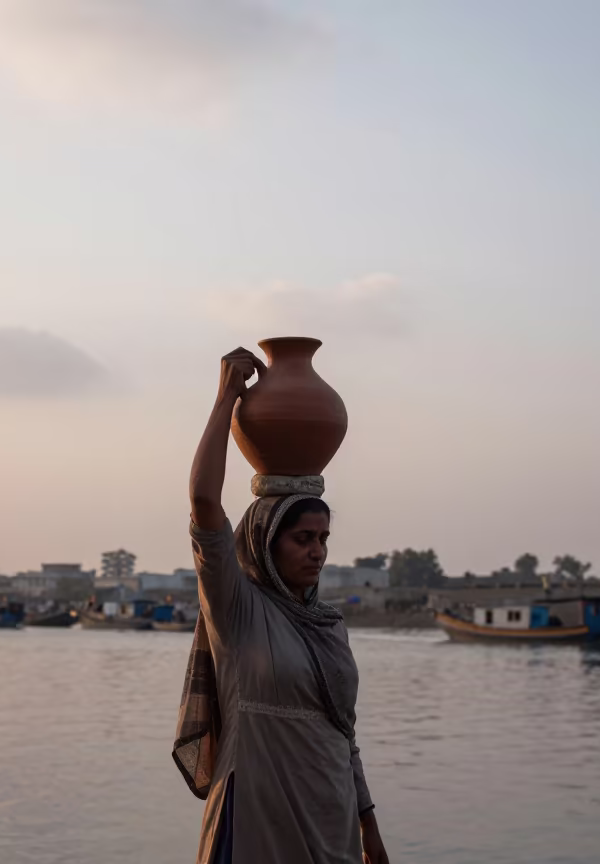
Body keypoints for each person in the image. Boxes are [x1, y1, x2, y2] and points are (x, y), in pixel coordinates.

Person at [173, 347, 389, 864]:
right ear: (267, 542)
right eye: (303, 539)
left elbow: (344, 735)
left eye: (324, 538)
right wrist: (226, 397)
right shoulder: (238, 610)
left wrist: (370, 827)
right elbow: (204, 504)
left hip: (331, 817)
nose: (317, 551)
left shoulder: (328, 625)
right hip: (258, 819)